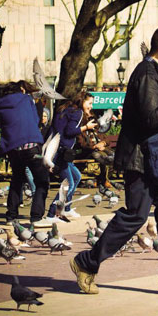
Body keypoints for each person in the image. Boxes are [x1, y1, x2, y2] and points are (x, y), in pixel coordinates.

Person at [71, 26, 158, 295]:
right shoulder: (146, 73)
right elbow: (149, 119)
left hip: (156, 158)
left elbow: (155, 113)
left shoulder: (157, 74)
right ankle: (86, 262)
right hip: (141, 160)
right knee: (135, 216)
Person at [0, 81, 51, 227]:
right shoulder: (26, 99)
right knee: (42, 181)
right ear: (21, 90)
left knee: (17, 180)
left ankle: (11, 216)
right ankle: (36, 217)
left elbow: (1, 124)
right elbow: (36, 119)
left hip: (12, 148)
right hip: (30, 145)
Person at [45, 91, 98, 221]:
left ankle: (66, 209)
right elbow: (70, 131)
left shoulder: (66, 109)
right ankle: (52, 213)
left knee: (77, 176)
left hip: (56, 148)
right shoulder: (78, 112)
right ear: (82, 101)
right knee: (68, 184)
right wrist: (86, 127)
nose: (91, 106)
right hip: (61, 151)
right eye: (89, 103)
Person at [76, 109, 115, 188]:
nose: (92, 121)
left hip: (102, 148)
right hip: (90, 151)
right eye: (89, 119)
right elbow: (82, 144)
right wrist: (94, 146)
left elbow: (107, 139)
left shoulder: (97, 130)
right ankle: (104, 180)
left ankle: (102, 178)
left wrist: (103, 143)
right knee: (103, 157)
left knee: (114, 156)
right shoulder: (82, 131)